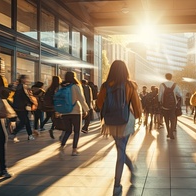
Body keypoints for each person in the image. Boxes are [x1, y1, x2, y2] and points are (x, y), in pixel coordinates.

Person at [96, 60, 142, 196]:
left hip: (111, 122)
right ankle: (118, 183)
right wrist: (138, 116)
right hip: (126, 120)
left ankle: (127, 174)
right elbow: (137, 105)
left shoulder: (105, 86)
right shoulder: (130, 85)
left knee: (120, 149)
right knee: (121, 150)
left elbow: (99, 104)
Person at [59, 71, 90, 156]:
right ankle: (74, 150)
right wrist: (86, 110)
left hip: (65, 112)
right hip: (76, 111)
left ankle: (62, 146)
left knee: (68, 130)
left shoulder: (61, 87)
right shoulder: (75, 87)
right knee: (77, 131)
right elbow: (81, 99)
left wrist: (58, 111)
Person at [10, 75, 36, 143]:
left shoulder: (18, 86)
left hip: (18, 106)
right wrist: (32, 103)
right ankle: (14, 133)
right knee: (24, 121)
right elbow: (25, 96)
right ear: (22, 79)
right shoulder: (22, 86)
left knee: (26, 121)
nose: (27, 80)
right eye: (26, 79)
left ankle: (30, 135)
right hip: (21, 107)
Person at [158, 73, 182, 140]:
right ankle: (171, 132)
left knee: (166, 119)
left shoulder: (162, 85)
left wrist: (160, 102)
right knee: (173, 119)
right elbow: (180, 94)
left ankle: (168, 132)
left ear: (165, 77)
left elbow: (160, 95)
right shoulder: (175, 85)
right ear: (171, 77)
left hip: (164, 105)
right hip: (173, 105)